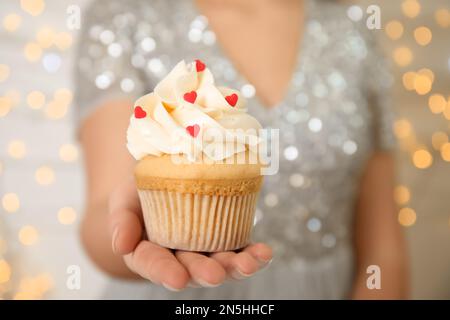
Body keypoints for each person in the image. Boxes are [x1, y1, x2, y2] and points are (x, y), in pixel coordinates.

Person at [75, 0, 408, 299]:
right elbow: (103, 207)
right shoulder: (124, 16)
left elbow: (384, 253)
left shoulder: (352, 29)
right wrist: (130, 235)